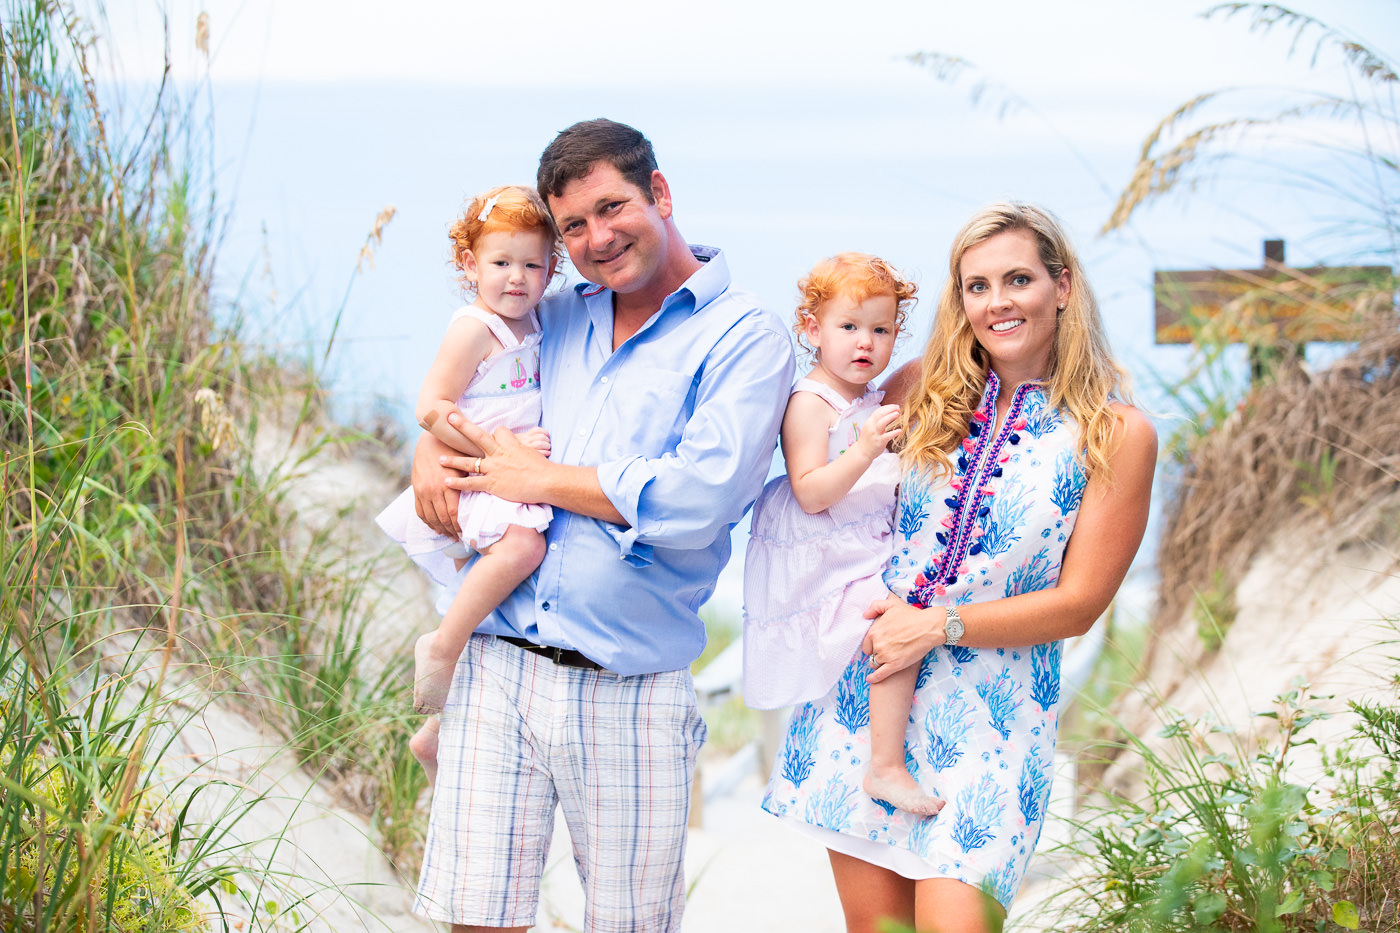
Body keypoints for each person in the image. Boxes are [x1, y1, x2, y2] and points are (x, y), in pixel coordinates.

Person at [408, 119, 796, 932]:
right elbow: (478, 381)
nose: (596, 238)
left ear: (659, 192)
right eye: (573, 226)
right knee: (475, 917)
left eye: (611, 207)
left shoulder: (745, 338)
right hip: (499, 663)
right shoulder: (558, 313)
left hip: (630, 687)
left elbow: (699, 497)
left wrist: (539, 478)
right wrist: (426, 449)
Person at [761, 202, 1157, 933]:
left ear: (1061, 286)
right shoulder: (919, 387)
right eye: (977, 285)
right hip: (866, 696)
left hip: (995, 723)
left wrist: (938, 626)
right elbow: (816, 462)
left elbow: (1079, 604)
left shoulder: (1117, 432)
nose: (997, 301)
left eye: (1017, 279)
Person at [743, 253, 941, 817]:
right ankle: (884, 767)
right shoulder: (811, 403)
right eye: (849, 327)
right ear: (813, 329)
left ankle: (883, 755)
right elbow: (811, 491)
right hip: (824, 549)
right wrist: (865, 449)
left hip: (860, 538)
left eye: (880, 330)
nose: (865, 343)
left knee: (895, 623)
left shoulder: (867, 400)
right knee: (889, 627)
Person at [376, 185, 558, 785]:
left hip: (509, 474)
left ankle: (434, 738)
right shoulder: (475, 327)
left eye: (533, 264)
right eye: (501, 263)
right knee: (523, 548)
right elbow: (431, 406)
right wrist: (496, 451)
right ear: (469, 265)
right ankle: (441, 645)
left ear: (552, 268)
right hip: (481, 473)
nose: (517, 278)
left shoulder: (535, 324)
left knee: (505, 602)